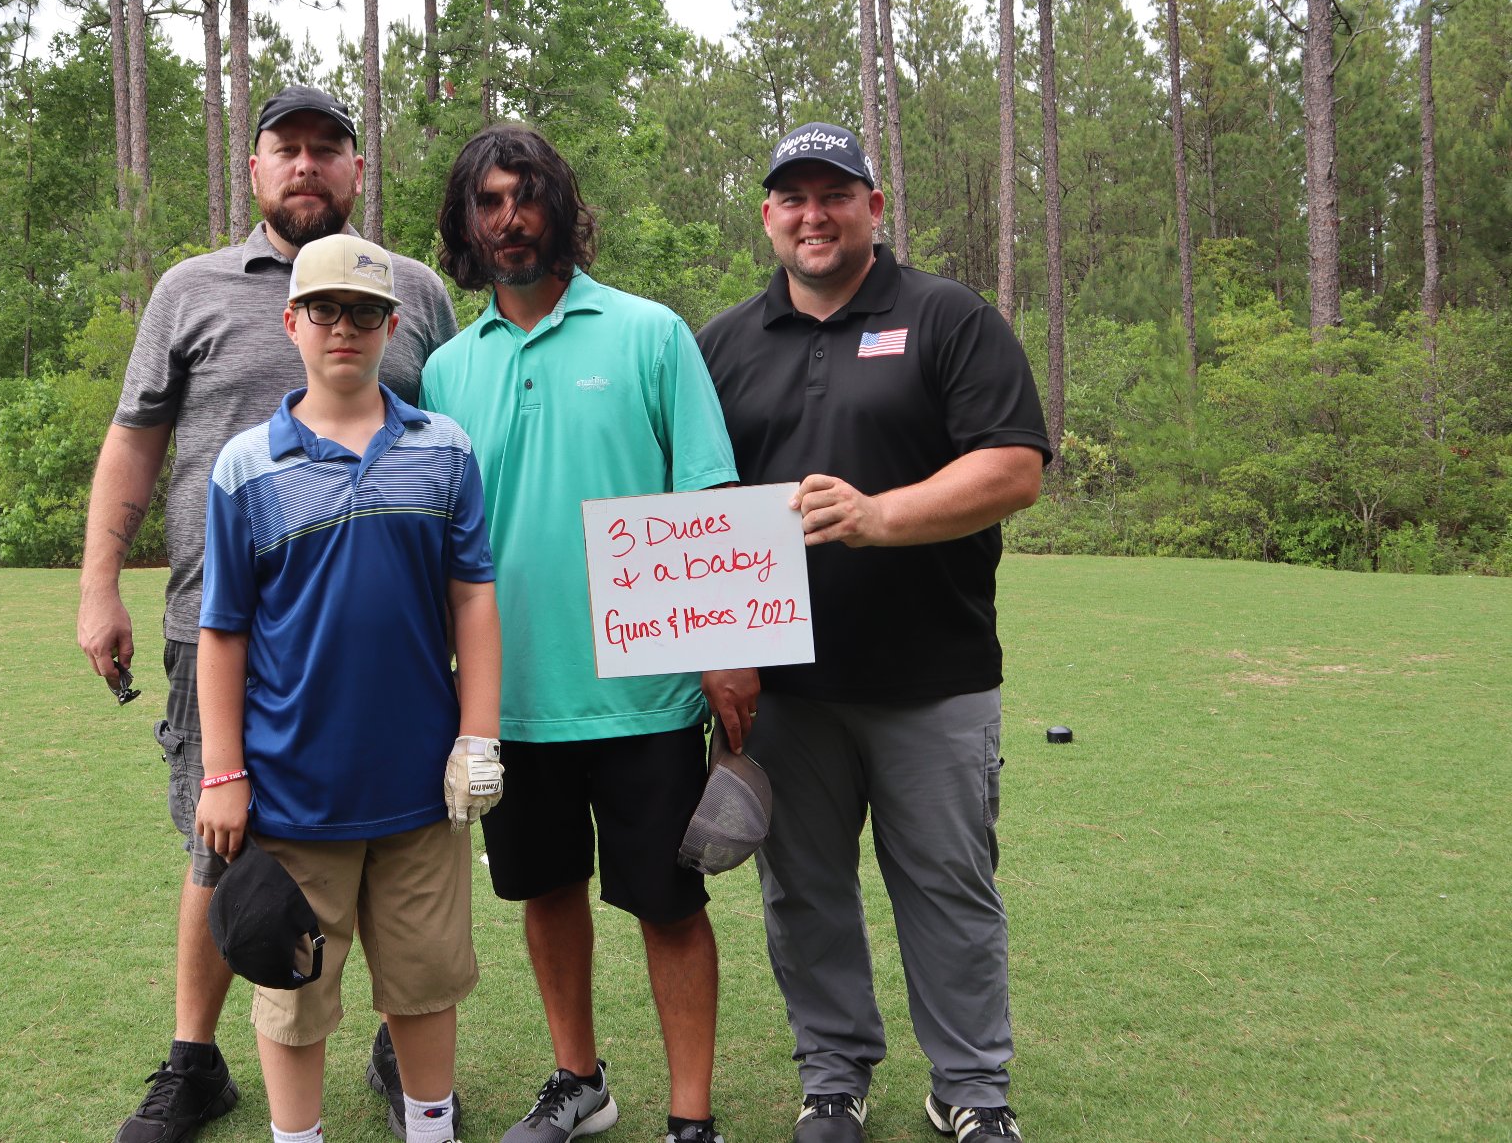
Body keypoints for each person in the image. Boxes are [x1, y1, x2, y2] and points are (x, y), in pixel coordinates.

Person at [77, 87, 458, 1143]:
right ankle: (194, 1062)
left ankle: (399, 1049)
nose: (306, 164)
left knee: (394, 840)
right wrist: (98, 584)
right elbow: (134, 439)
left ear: (356, 170)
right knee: (222, 840)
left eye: (327, 148)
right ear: (253, 170)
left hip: (383, 637)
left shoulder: (414, 292)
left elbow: (446, 442)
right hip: (219, 623)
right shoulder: (190, 289)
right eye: (284, 148)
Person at [693, 122, 1049, 1143]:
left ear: (872, 207)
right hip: (782, 692)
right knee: (803, 893)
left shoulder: (948, 318)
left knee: (947, 889)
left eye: (834, 194)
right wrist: (718, 649)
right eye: (793, 198)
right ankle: (832, 1079)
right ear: (767, 215)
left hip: (932, 677)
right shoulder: (720, 344)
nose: (813, 215)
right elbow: (690, 501)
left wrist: (878, 515)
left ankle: (970, 1089)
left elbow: (1013, 466)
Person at [418, 124, 740, 1143]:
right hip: (509, 697)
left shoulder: (650, 334)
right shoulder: (445, 371)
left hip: (646, 691)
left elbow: (706, 497)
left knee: (669, 905)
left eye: (526, 196)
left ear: (559, 207)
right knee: (546, 893)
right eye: (488, 201)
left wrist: (725, 654)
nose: (509, 218)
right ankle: (578, 1081)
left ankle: (690, 1116)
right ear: (465, 223)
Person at [192, 231, 503, 1143]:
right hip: (293, 792)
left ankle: (432, 1127)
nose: (344, 327)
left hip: (421, 787)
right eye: (324, 309)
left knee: (425, 979)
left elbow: (473, 597)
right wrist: (223, 772)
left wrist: (478, 734)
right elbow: (224, 630)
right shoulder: (247, 464)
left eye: (364, 312)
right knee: (293, 989)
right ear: (291, 321)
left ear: (392, 327)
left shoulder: (444, 449)